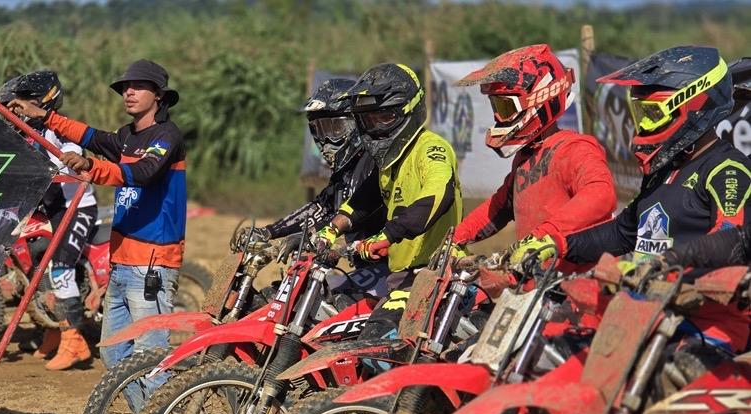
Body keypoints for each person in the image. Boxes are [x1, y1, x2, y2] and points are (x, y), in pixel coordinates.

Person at [531, 46, 750, 351]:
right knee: (555, 348)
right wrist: (556, 244)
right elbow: (624, 231)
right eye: (640, 114)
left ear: (694, 107)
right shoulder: (664, 169)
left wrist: (666, 265)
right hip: (647, 310)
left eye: (652, 114)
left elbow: (731, 238)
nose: (641, 126)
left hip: (707, 322)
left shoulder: (727, 170)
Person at [9, 60, 186, 368]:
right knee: (113, 355)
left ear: (158, 94)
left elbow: (144, 172)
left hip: (152, 262)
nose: (128, 92)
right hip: (122, 260)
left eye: (138, 87)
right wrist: (45, 117)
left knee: (150, 358)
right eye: (125, 88)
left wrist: (92, 166)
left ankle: (159, 403)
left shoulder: (166, 136)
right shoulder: (127, 136)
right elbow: (91, 136)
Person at [449, 44, 616, 266]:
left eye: (506, 107)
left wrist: (543, 237)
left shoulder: (576, 148)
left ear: (540, 99)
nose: (498, 116)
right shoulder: (526, 155)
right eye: (495, 106)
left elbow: (602, 195)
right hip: (531, 276)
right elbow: (500, 206)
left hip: (574, 277)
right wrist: (455, 239)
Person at [238, 77, 388, 297]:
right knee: (286, 295)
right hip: (365, 269)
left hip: (393, 270)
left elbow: (352, 219)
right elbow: (320, 209)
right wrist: (268, 232)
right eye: (318, 129)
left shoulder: (375, 165)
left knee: (327, 301)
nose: (324, 139)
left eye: (334, 128)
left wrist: (310, 238)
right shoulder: (346, 171)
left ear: (357, 123)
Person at [344, 63, 462, 338]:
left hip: (435, 271)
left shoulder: (431, 148)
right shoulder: (390, 162)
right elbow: (361, 202)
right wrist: (329, 231)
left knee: (375, 341)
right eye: (368, 120)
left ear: (408, 110)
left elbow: (439, 194)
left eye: (383, 118)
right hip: (401, 275)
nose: (374, 128)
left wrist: (387, 235)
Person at [9, 71, 100, 370]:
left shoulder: (60, 130)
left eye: (29, 101)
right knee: (39, 268)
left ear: (47, 100)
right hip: (51, 208)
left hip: (77, 208)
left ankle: (74, 342)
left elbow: (69, 156)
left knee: (60, 268)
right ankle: (53, 331)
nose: (23, 106)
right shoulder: (29, 130)